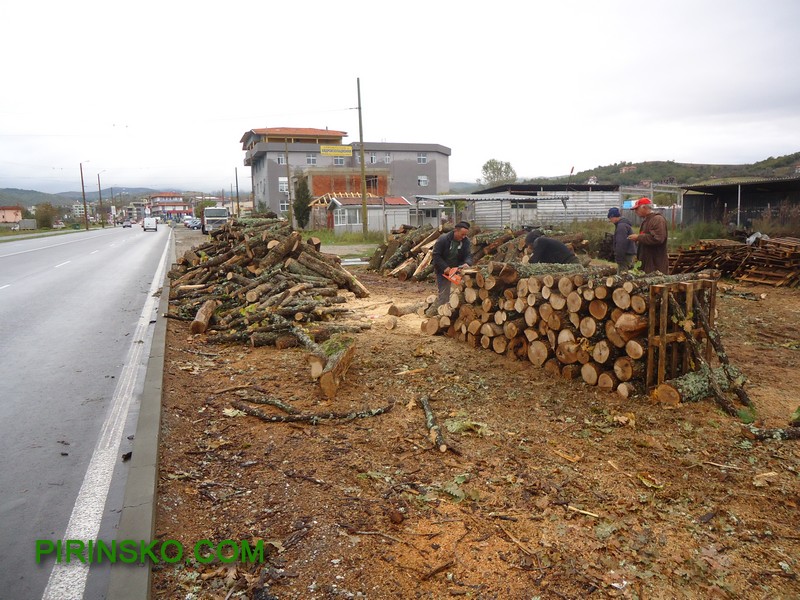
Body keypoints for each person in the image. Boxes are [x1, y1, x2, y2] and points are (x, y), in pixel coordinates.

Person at [431, 221, 472, 308]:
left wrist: (467, 263)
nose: (463, 237)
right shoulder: (443, 239)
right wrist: (445, 267)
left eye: (465, 235)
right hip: (443, 271)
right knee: (444, 293)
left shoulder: (466, 241)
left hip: (457, 270)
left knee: (458, 293)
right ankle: (441, 313)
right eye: (462, 234)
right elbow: (436, 255)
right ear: (455, 231)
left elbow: (468, 255)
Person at [627, 197, 669, 274]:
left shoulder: (657, 219)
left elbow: (658, 239)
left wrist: (638, 237)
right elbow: (646, 238)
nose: (635, 212)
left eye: (637, 209)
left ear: (645, 207)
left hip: (656, 265)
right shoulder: (646, 221)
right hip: (647, 264)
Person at [607, 207, 637, 273]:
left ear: (613, 217)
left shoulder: (621, 227)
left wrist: (619, 258)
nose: (610, 221)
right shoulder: (624, 224)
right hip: (629, 254)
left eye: (610, 218)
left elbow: (621, 243)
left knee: (622, 276)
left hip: (625, 255)